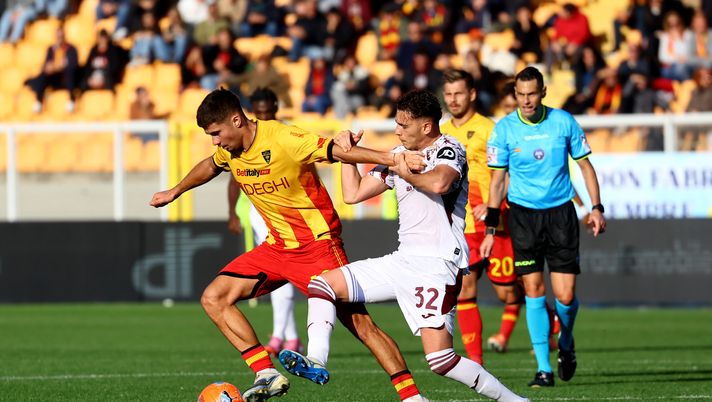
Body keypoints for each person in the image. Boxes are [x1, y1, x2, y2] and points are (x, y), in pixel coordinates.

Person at [149, 87, 430, 402]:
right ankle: (266, 373)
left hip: (318, 246)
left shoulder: (284, 139)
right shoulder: (230, 151)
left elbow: (339, 152)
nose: (215, 141)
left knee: (361, 325)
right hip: (276, 249)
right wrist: (175, 191)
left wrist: (392, 158)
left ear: (236, 120)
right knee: (214, 298)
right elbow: (211, 165)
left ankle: (412, 397)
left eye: (217, 133)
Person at [277, 89, 529, 402]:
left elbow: (440, 183)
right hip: (403, 260)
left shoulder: (449, 148)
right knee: (323, 284)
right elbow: (353, 194)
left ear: (426, 126)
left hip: (437, 265)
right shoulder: (399, 153)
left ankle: (515, 401)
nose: (397, 131)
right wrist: (348, 155)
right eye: (396, 124)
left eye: (403, 125)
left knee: (441, 361)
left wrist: (399, 165)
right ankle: (316, 359)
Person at [481, 66, 606, 387]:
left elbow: (586, 167)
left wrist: (595, 207)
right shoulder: (504, 130)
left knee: (565, 296)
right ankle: (543, 369)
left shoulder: (563, 122)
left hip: (561, 215)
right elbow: (497, 183)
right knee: (534, 292)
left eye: (531, 94)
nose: (526, 101)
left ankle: (565, 340)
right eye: (520, 95)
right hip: (523, 217)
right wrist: (492, 230)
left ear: (543, 92)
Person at [440, 69, 524, 363]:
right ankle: (476, 363)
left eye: (458, 93)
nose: (453, 99)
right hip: (460, 226)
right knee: (465, 290)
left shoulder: (491, 130)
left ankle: (545, 316)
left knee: (507, 293)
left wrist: (493, 204)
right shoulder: (441, 134)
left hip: (494, 224)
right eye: (448, 94)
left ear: (472, 94)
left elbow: (511, 174)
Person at [226, 88, 303, 358]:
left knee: (285, 273)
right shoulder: (246, 139)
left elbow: (307, 169)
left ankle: (286, 336)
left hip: (290, 210)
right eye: (259, 113)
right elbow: (233, 178)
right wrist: (233, 213)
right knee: (281, 272)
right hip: (260, 212)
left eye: (268, 112)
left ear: (275, 109)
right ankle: (284, 336)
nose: (264, 116)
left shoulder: (285, 136)